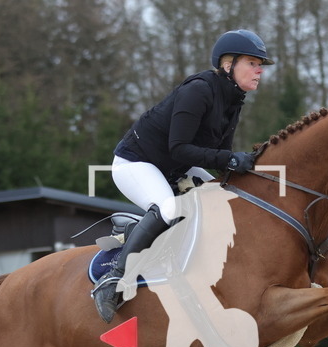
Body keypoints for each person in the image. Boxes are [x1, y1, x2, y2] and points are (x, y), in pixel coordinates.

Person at [92, 29, 274, 322]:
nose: (259, 70)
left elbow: (220, 156)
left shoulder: (233, 99)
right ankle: (113, 280)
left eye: (260, 64)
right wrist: (230, 159)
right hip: (136, 163)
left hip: (174, 167)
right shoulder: (199, 90)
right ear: (228, 64)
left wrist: (255, 172)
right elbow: (179, 148)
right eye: (252, 63)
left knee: (226, 198)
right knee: (169, 209)